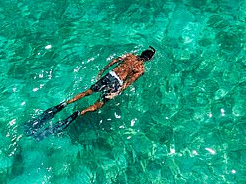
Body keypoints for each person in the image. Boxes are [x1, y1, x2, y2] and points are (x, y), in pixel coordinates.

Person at [25, 46, 156, 138]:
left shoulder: (130, 55)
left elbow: (115, 61)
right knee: (99, 104)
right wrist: (117, 92)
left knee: (86, 92)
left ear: (141, 53)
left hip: (110, 75)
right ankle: (79, 113)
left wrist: (102, 70)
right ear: (148, 59)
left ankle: (65, 104)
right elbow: (129, 82)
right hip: (117, 82)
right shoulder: (141, 69)